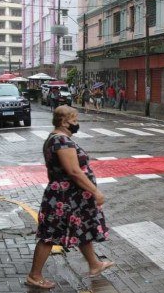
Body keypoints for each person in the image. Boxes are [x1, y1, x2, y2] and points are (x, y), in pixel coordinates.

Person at [26, 106, 114, 289]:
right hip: (63, 199)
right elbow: (74, 171)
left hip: (70, 197)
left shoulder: (56, 139)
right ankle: (34, 276)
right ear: (64, 122)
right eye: (74, 120)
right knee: (49, 235)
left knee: (80, 229)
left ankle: (94, 264)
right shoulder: (61, 141)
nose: (77, 124)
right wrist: (95, 191)